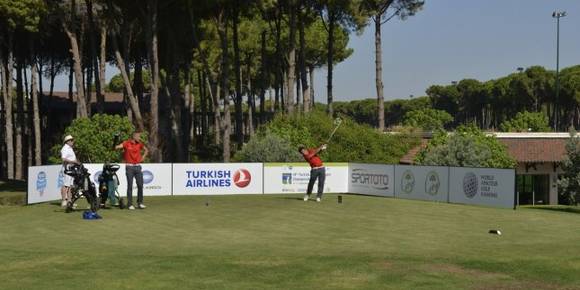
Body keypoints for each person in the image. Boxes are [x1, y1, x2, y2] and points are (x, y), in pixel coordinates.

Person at [115, 131, 149, 210]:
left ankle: (140, 203)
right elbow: (117, 147)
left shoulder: (139, 143)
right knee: (130, 186)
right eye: (138, 136)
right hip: (129, 167)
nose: (139, 138)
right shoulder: (126, 143)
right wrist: (115, 143)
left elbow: (146, 150)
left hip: (138, 167)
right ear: (134, 137)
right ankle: (129, 204)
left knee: (140, 185)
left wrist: (143, 157)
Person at [60, 135, 79, 207]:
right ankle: (64, 200)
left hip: (72, 168)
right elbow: (63, 159)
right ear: (67, 141)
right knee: (65, 185)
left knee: (70, 185)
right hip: (67, 168)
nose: (72, 142)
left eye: (72, 140)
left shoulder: (70, 148)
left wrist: (76, 162)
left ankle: (70, 201)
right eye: (71, 140)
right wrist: (73, 161)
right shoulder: (65, 148)